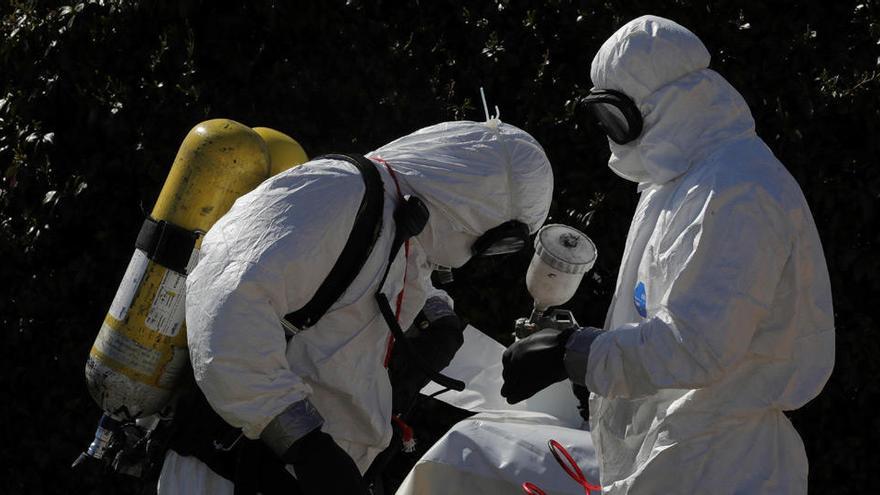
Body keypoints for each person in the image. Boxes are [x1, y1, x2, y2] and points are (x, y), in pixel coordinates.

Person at [501, 15, 834, 494]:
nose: (612, 136)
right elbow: (655, 321)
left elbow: (696, 345)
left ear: (659, 105)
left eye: (616, 117)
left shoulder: (738, 189)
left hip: (725, 468)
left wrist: (573, 354)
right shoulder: (678, 181)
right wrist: (578, 342)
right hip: (678, 454)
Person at [157, 119, 553, 494]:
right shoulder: (335, 193)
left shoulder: (399, 225)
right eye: (502, 241)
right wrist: (303, 441)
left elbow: (382, 285)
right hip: (233, 470)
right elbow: (228, 303)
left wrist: (439, 319)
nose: (492, 254)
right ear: (476, 203)